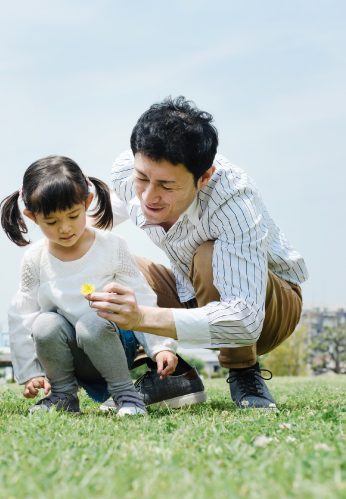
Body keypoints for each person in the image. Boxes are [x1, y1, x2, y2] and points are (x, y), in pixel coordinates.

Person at [88, 97, 307, 411]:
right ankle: (170, 374)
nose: (150, 197)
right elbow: (90, 226)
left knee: (209, 257)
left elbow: (245, 319)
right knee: (102, 256)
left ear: (203, 178)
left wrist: (141, 316)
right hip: (189, 288)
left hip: (267, 308)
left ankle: (244, 372)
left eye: (166, 185)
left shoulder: (233, 203)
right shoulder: (128, 171)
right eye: (143, 179)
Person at [1, 156, 190, 416]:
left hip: (111, 342)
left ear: (87, 202)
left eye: (73, 215)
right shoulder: (35, 258)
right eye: (52, 222)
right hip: (68, 353)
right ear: (32, 218)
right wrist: (29, 371)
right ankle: (63, 395)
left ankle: (126, 395)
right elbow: (22, 315)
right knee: (44, 323)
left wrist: (160, 346)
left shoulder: (111, 246)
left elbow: (142, 297)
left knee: (91, 322)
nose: (65, 228)